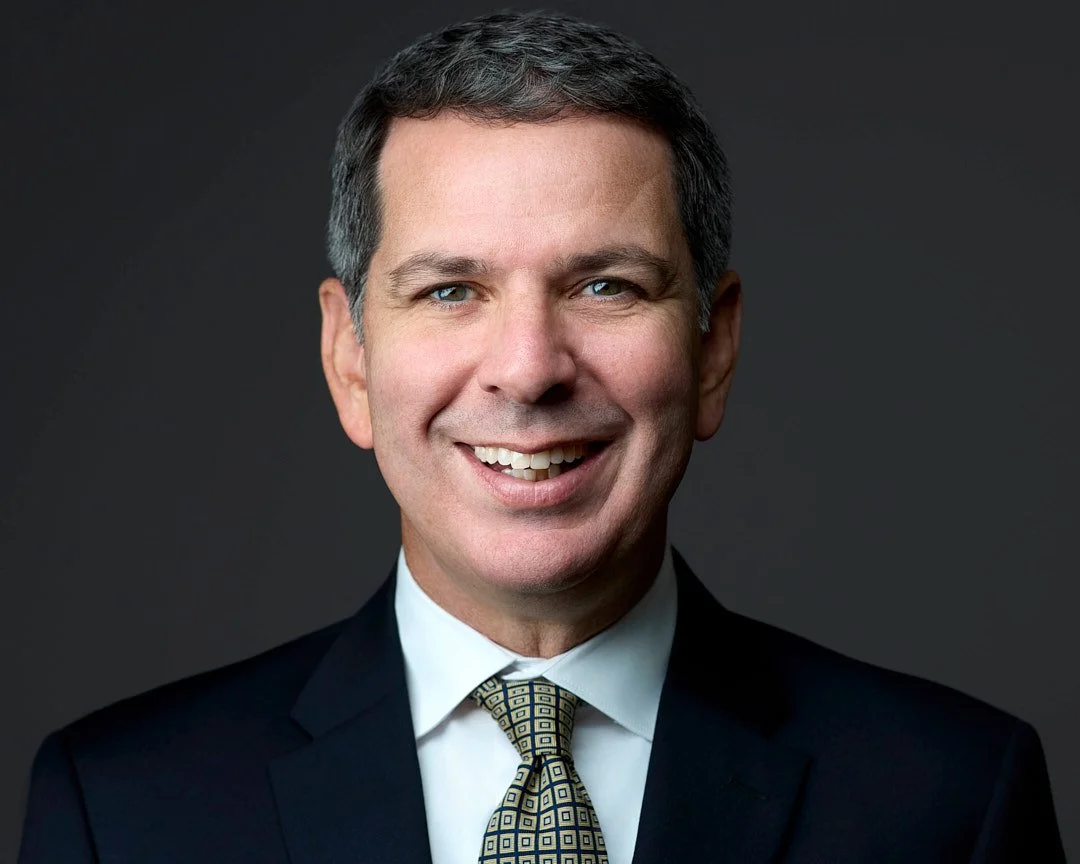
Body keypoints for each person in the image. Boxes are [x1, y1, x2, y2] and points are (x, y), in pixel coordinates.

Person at [18, 10, 1065, 863]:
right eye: (450, 289)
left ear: (713, 351)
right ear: (350, 359)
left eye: (605, 285)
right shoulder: (123, 812)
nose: (528, 367)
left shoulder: (951, 801)